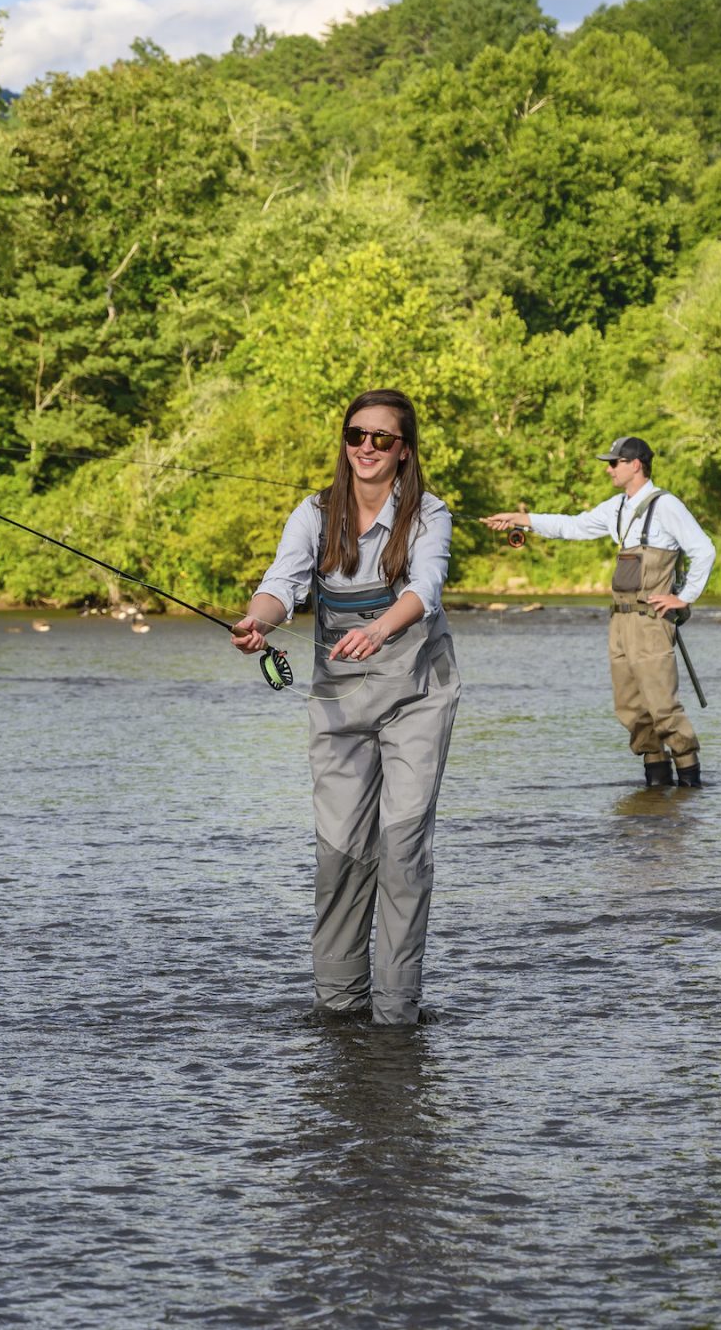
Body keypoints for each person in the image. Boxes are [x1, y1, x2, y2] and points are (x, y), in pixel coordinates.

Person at [233, 389, 460, 1026]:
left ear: (404, 451)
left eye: (381, 439)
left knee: (402, 846)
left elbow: (427, 587)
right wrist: (257, 621)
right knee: (338, 853)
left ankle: (395, 1013)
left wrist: (382, 627)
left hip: (418, 694)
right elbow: (282, 583)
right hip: (338, 699)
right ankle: (337, 1009)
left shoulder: (429, 514)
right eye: (355, 435)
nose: (366, 447)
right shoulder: (314, 513)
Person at [484, 435, 717, 789]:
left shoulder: (667, 505)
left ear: (635, 464)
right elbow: (572, 527)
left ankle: (690, 783)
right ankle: (655, 786)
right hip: (619, 621)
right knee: (631, 708)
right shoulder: (616, 508)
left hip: (652, 621)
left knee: (662, 706)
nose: (609, 469)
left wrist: (683, 597)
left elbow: (704, 550)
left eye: (614, 463)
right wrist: (522, 519)